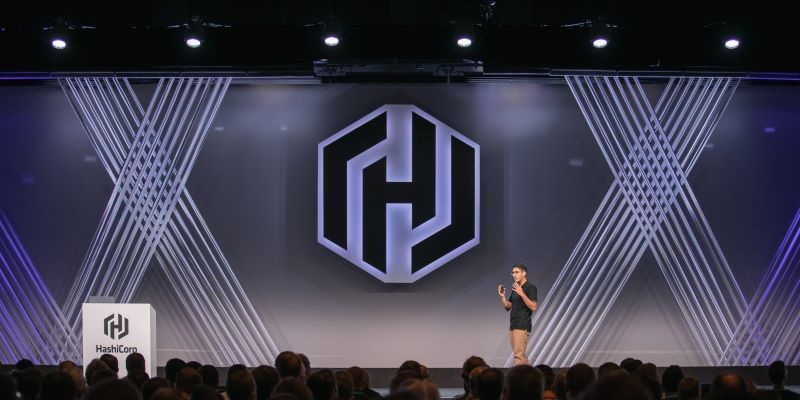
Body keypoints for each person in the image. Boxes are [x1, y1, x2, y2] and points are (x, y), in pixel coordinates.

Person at [497, 264, 538, 365]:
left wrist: (522, 293)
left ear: (524, 273)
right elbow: (508, 307)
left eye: (516, 272)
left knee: (519, 356)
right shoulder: (516, 288)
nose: (514, 275)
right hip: (514, 325)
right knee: (519, 356)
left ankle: (524, 379)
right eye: (513, 273)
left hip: (522, 325)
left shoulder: (530, 287)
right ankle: (529, 378)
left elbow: (533, 307)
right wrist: (503, 296)